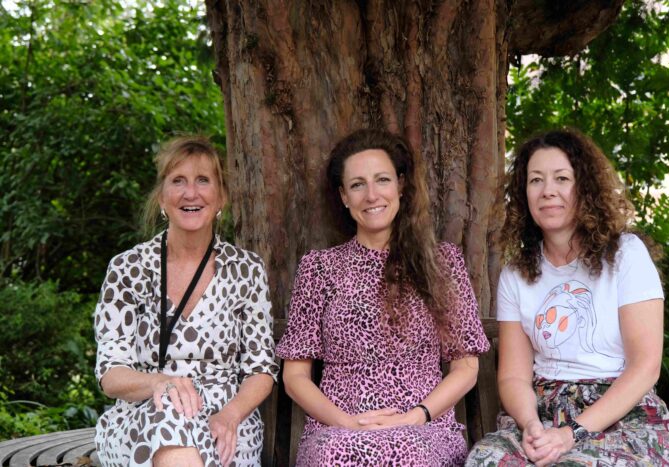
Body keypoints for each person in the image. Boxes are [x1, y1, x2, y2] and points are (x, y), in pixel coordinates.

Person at [465, 129, 669, 466]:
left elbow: (645, 367)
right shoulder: (516, 274)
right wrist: (531, 424)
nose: (548, 190)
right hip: (541, 409)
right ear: (524, 195)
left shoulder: (625, 255)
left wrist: (572, 433)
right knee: (485, 459)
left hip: (619, 411)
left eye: (562, 178)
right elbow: (513, 376)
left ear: (585, 187)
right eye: (535, 180)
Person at [276, 129, 490, 466]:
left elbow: (465, 367)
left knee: (409, 456)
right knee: (334, 456)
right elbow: (295, 376)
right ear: (344, 196)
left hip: (424, 427)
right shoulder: (320, 268)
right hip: (337, 428)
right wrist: (346, 423)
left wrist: (415, 417)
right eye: (358, 184)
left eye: (382, 180)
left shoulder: (442, 262)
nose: (372, 195)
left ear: (401, 186)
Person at [93, 136, 278, 467]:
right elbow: (111, 374)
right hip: (146, 412)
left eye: (203, 180)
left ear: (221, 196)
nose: (190, 193)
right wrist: (160, 383)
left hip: (227, 419)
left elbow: (261, 368)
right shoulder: (128, 268)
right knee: (168, 425)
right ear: (162, 197)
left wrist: (231, 415)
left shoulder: (246, 269)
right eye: (178, 181)